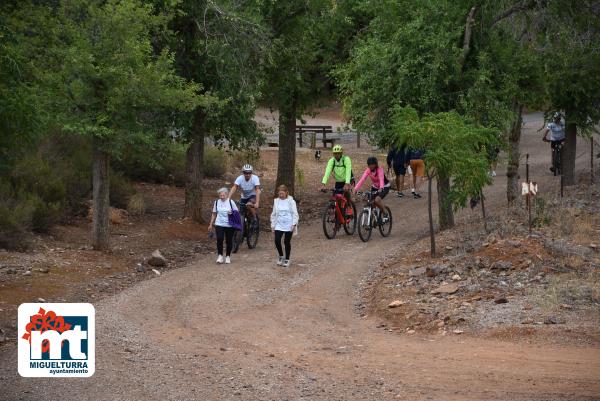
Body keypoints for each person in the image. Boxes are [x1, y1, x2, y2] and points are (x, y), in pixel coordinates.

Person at [270, 185, 299, 268]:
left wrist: (294, 224)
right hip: (279, 224)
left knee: (286, 242)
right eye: (279, 194)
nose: (280, 195)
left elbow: (295, 213)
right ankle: (281, 255)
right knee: (277, 240)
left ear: (286, 193)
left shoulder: (291, 201)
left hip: (289, 224)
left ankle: (287, 259)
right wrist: (273, 225)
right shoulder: (276, 201)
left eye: (282, 193)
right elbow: (274, 214)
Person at [208, 187, 238, 264]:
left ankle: (228, 256)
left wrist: (232, 213)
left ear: (227, 195)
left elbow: (237, 213)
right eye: (220, 195)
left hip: (229, 225)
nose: (222, 197)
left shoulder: (231, 202)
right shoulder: (217, 202)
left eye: (223, 195)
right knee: (220, 239)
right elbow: (214, 213)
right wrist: (211, 224)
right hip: (219, 224)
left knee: (229, 240)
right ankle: (220, 256)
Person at [321, 144, 353, 214]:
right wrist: (323, 183)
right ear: (333, 154)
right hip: (338, 181)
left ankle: (349, 206)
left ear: (341, 153)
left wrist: (347, 183)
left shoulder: (346, 159)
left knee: (346, 192)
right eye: (335, 154)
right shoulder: (332, 161)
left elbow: (348, 171)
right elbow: (327, 172)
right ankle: (338, 217)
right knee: (337, 198)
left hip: (348, 179)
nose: (337, 155)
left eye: (338, 153)